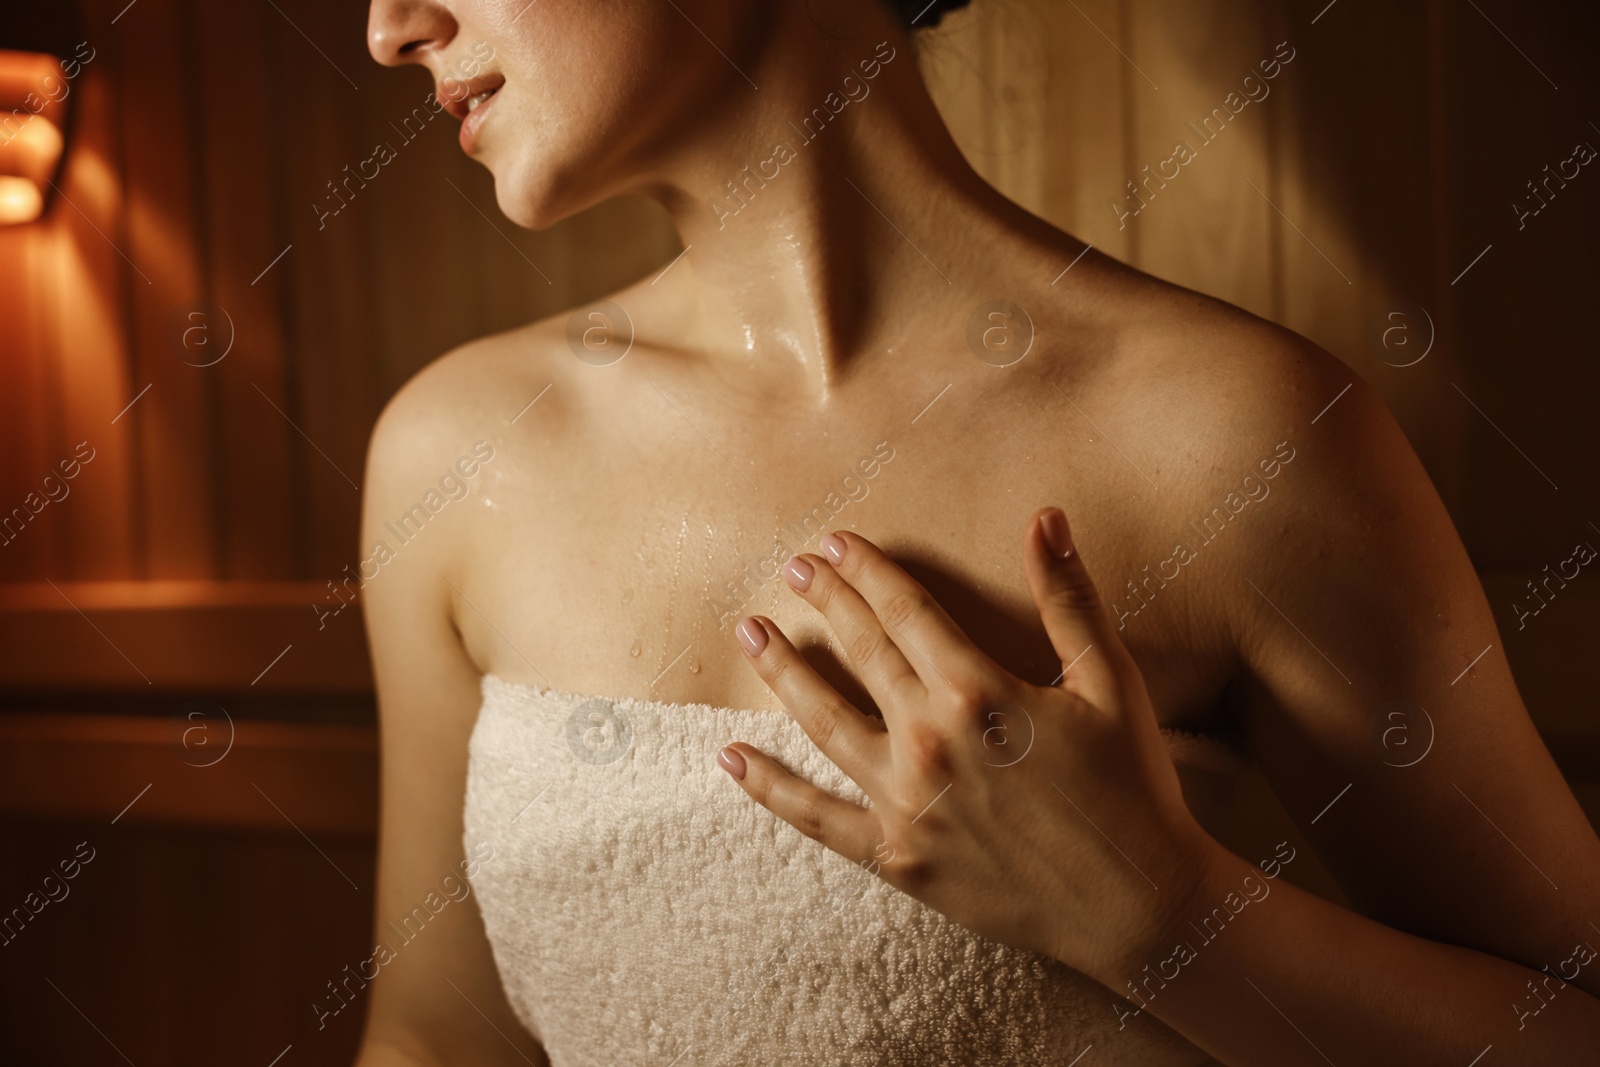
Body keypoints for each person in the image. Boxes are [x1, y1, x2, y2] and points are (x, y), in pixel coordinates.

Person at [352, 0, 1600, 1063]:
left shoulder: (1226, 439)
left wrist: (1169, 917)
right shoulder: (455, 455)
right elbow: (429, 1040)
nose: (388, 29)